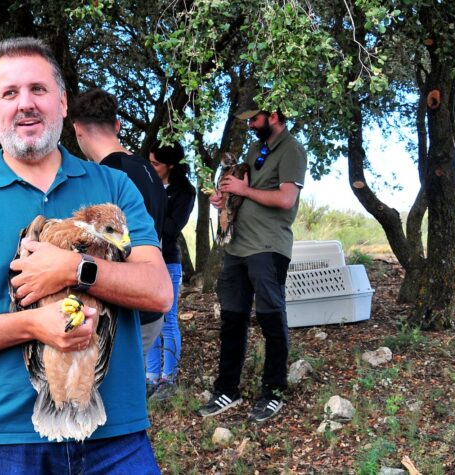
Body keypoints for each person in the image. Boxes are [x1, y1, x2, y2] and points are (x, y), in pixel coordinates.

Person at [0, 37, 172, 474]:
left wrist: (76, 269)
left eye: (38, 89)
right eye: (10, 93)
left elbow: (157, 291)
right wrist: (33, 323)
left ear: (62, 101)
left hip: (116, 436)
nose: (25, 104)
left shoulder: (114, 187)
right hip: (8, 441)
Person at [198, 108, 307, 422]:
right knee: (232, 319)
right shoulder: (254, 149)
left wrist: (244, 190)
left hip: (268, 246)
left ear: (273, 116)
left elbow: (286, 199)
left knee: (272, 318)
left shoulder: (292, 150)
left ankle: (273, 392)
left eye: (254, 119)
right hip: (238, 247)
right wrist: (223, 199)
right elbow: (239, 192)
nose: (249, 125)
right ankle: (227, 389)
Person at [69, 87, 167, 358]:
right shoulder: (149, 170)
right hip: (151, 308)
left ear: (77, 130)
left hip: (127, 308)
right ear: (117, 125)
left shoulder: (106, 179)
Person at [145, 142, 196, 401]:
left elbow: (173, 227)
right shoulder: (147, 184)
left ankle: (169, 379)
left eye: (156, 164)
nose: (151, 167)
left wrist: (148, 220)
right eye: (150, 162)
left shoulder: (185, 192)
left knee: (168, 321)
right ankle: (151, 377)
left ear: (171, 166)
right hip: (144, 261)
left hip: (168, 262)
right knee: (149, 320)